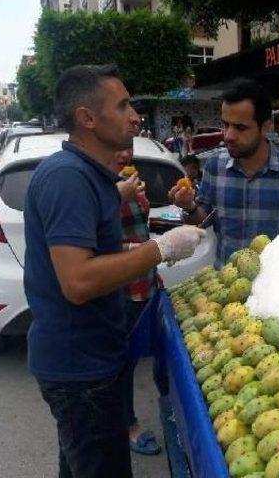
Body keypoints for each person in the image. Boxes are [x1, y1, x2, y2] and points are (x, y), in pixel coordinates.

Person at [23, 64, 205, 478]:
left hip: (90, 359)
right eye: (122, 106)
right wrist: (160, 248)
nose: (135, 116)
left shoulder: (92, 177)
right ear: (87, 118)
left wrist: (121, 206)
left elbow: (93, 247)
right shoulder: (68, 178)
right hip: (80, 371)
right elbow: (79, 281)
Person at [169, 78, 279, 266]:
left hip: (274, 288)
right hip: (224, 287)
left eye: (240, 128)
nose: (228, 136)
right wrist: (189, 206)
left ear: (266, 127)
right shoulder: (214, 166)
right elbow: (204, 220)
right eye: (226, 125)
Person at [115, 148, 162, 456]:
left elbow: (140, 226)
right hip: (122, 288)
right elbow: (95, 248)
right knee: (124, 362)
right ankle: (126, 425)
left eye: (128, 146)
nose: (125, 152)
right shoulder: (95, 188)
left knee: (142, 354)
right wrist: (157, 250)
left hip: (146, 284)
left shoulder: (128, 179)